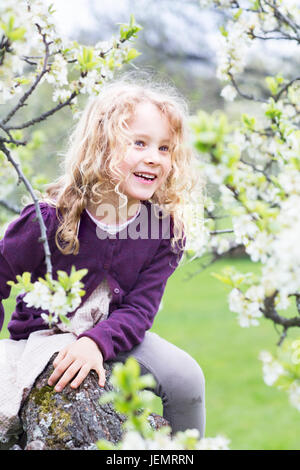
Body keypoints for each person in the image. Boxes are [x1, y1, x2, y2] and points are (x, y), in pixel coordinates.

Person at [0, 75, 206, 447]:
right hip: (43, 333)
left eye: (164, 148)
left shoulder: (162, 230)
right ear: (101, 145)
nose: (153, 158)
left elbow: (141, 309)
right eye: (139, 143)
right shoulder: (48, 220)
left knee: (186, 377)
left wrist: (96, 342)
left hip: (116, 333)